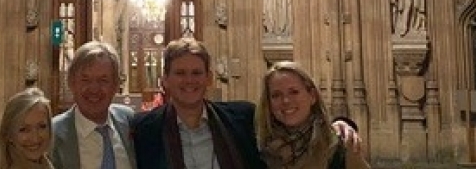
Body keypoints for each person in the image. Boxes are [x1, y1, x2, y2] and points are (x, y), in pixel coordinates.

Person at [131, 38, 360, 169]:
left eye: (196, 72)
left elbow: (293, 123)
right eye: (180, 73)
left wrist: (341, 124)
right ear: (165, 80)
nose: (189, 80)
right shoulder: (143, 128)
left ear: (209, 78)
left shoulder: (241, 118)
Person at [257, 61, 371, 169]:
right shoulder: (256, 148)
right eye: (276, 95)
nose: (286, 100)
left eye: (294, 92)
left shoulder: (340, 146)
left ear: (312, 96)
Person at [51, 40, 135, 169]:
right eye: (85, 80)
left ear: (116, 85)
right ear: (71, 83)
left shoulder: (129, 121)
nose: (94, 89)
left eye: (103, 80)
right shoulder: (52, 134)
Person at [0, 88, 55, 169]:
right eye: (24, 130)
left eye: (42, 126)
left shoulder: (45, 164)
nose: (35, 138)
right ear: (9, 134)